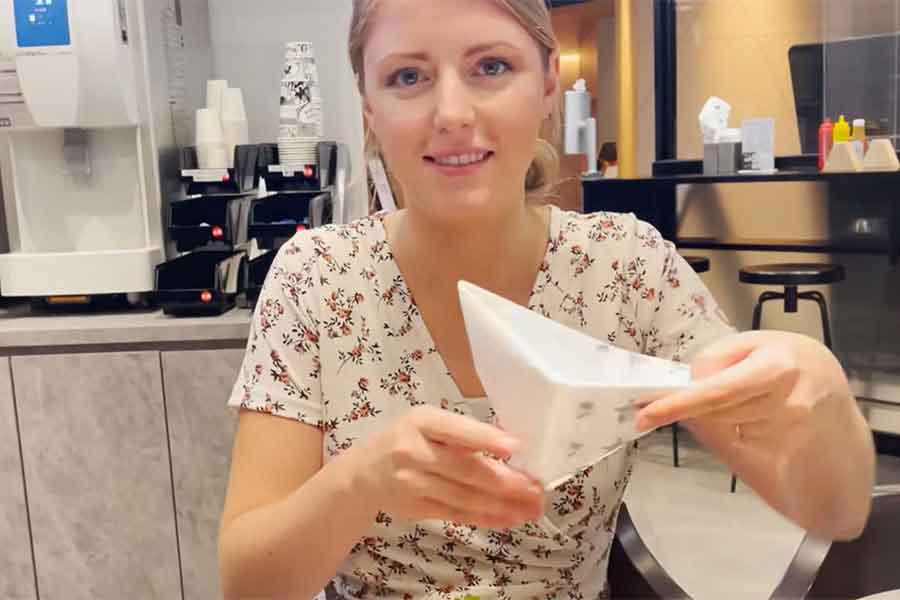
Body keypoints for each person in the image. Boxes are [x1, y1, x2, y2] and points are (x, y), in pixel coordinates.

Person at [218, 1, 875, 598]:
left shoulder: (623, 267)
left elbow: (837, 513)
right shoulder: (318, 279)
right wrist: (361, 481)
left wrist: (823, 403)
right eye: (408, 77)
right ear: (369, 106)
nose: (452, 114)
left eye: (491, 66)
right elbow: (248, 584)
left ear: (548, 83)